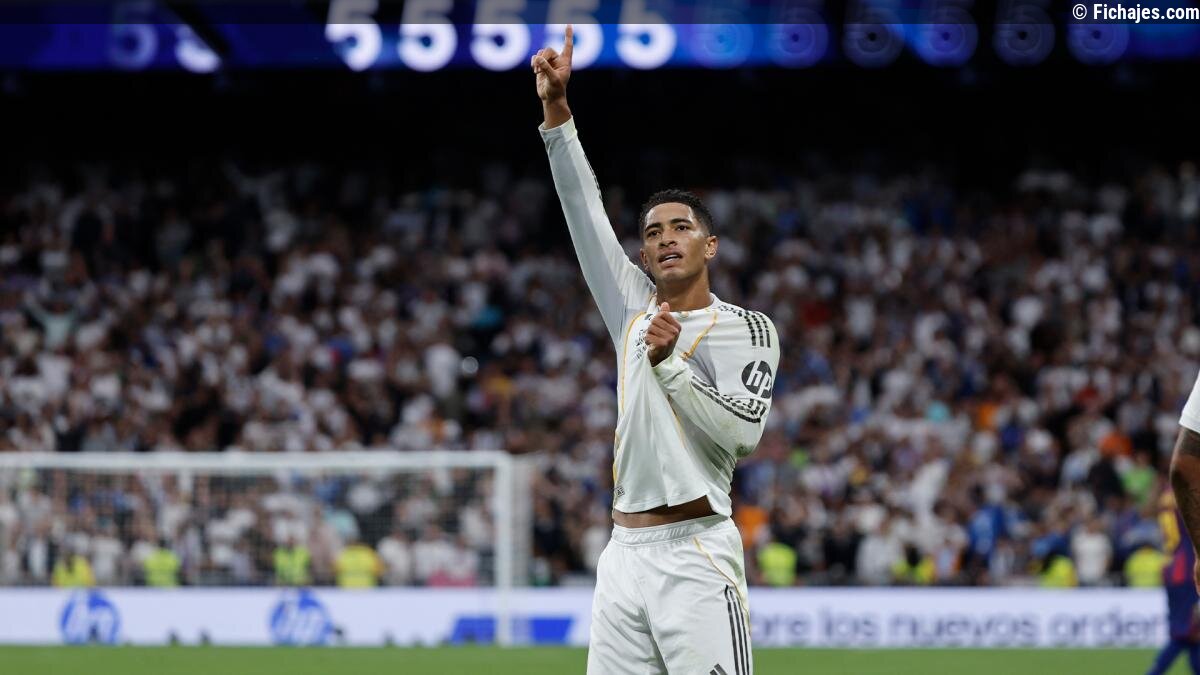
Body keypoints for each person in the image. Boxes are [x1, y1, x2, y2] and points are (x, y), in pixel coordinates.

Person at [533, 26, 780, 674]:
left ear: (709, 245)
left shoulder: (747, 329)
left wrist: (672, 367)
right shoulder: (632, 310)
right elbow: (582, 210)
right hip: (622, 556)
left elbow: (743, 434)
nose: (666, 238)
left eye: (681, 227)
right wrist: (558, 112)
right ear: (643, 255)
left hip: (696, 551)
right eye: (652, 233)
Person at [1145, 490, 1200, 675]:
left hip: (1172, 565)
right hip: (1186, 567)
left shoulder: (1166, 496)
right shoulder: (1186, 493)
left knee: (1192, 632)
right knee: (1186, 631)